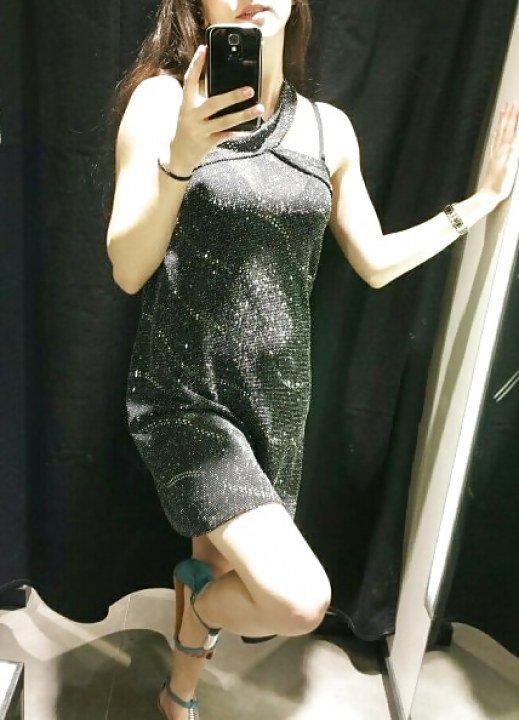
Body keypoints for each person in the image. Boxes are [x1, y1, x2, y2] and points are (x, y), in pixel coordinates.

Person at [105, 1, 519, 718]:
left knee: (217, 556)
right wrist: (181, 157)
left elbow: (376, 262)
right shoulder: (163, 102)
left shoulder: (329, 129)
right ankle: (199, 610)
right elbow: (128, 269)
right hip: (183, 391)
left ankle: (178, 697)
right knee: (296, 599)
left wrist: (477, 205)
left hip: (277, 397)